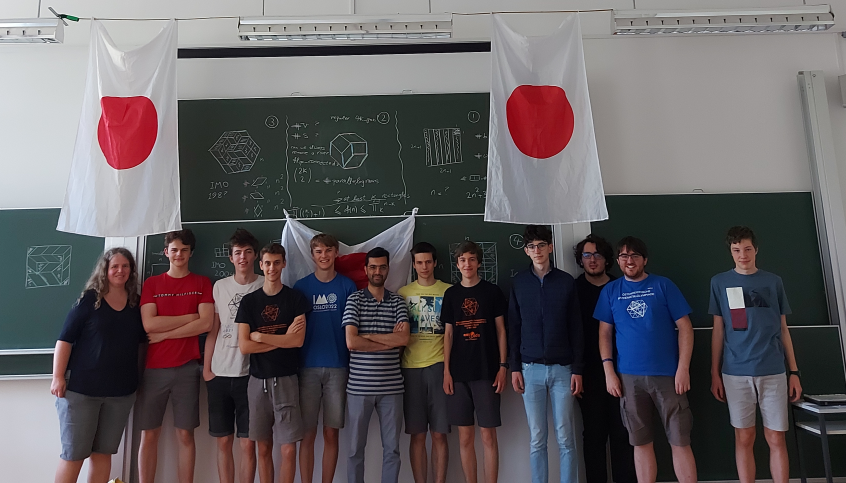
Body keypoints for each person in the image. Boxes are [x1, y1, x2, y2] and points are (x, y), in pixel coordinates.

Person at [595, 236, 697, 483]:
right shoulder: (610, 291)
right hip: (629, 378)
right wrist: (609, 371)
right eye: (624, 256)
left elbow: (685, 327)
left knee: (680, 440)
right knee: (640, 443)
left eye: (635, 256)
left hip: (668, 376)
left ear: (645, 260)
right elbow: (604, 334)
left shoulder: (663, 286)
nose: (629, 261)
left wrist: (683, 368)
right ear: (618, 261)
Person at [709, 226, 802, 483]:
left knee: (776, 437)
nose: (743, 255)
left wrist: (793, 371)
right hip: (735, 373)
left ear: (756, 250)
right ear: (730, 252)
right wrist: (714, 373)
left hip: (772, 370)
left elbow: (783, 329)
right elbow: (719, 331)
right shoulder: (719, 282)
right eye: (736, 250)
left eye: (747, 249)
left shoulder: (773, 281)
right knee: (744, 437)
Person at [51, 248, 146, 483]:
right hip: (82, 392)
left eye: (125, 266)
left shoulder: (136, 305)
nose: (120, 271)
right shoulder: (89, 301)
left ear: (131, 271)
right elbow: (64, 340)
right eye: (115, 266)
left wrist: (139, 380)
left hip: (120, 394)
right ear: (105, 269)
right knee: (74, 455)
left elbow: (142, 345)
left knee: (103, 454)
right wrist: (58, 376)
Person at [138, 230, 214, 483]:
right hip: (154, 370)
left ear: (191, 252)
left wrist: (166, 334)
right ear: (166, 252)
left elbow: (206, 325)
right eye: (174, 249)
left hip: (187, 368)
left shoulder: (202, 283)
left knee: (185, 435)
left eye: (184, 249)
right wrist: (190, 317)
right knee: (149, 434)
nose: (179, 254)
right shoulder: (152, 284)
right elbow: (149, 325)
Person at [509, 225, 583, 483]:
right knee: (537, 438)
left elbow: (576, 327)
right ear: (526, 251)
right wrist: (514, 367)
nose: (537, 251)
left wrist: (578, 369)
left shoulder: (566, 282)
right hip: (530, 369)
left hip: (563, 369)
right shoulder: (519, 283)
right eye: (531, 247)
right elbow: (514, 327)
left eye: (541, 245)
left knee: (565, 437)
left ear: (550, 247)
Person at [237, 243, 309, 483]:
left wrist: (261, 336)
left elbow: (297, 340)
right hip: (257, 382)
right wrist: (282, 339)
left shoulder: (296, 298)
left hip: (287, 380)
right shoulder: (248, 302)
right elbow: (245, 346)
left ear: (284, 264)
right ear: (261, 265)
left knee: (288, 449)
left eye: (277, 263)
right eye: (267, 263)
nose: (272, 268)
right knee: (263, 448)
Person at [342, 247, 410, 483]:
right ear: (366, 270)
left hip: (392, 389)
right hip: (358, 389)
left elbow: (403, 339)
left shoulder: (398, 302)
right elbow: (351, 341)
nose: (377, 271)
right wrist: (385, 341)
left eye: (382, 267)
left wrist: (368, 336)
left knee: (392, 450)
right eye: (373, 267)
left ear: (388, 269)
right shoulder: (354, 300)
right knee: (353, 450)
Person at [294, 234, 357, 483]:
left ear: (336, 253)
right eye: (318, 251)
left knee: (331, 433)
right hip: (306, 367)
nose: (324, 256)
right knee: (307, 434)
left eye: (328, 251)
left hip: (339, 367)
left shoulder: (348, 286)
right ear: (312, 255)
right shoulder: (301, 287)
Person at [442, 241, 508, 483]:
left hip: (487, 371)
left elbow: (502, 331)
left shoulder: (492, 292)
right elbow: (448, 335)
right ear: (457, 264)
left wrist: (503, 367)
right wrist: (446, 372)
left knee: (488, 436)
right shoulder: (451, 294)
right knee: (464, 438)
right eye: (462, 260)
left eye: (471, 259)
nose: (467, 264)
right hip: (458, 374)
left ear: (479, 263)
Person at [573, 234, 636, 483]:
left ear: (607, 259)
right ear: (580, 260)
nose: (592, 260)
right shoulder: (574, 290)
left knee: (622, 433)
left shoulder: (622, 287)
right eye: (587, 255)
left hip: (623, 370)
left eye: (598, 255)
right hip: (587, 372)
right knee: (594, 434)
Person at [203, 229, 264, 483]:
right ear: (231, 258)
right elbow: (213, 329)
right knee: (224, 441)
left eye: (248, 252)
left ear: (255, 256)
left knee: (248, 444)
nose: (243, 258)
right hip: (219, 374)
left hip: (250, 375)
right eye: (237, 253)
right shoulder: (220, 287)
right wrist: (207, 369)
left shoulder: (264, 284)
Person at [398, 242, 452, 483]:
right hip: (410, 369)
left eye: (428, 262)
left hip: (440, 366)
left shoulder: (448, 291)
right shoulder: (403, 293)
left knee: (440, 435)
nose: (424, 267)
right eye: (419, 262)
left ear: (435, 263)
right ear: (413, 264)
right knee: (417, 435)